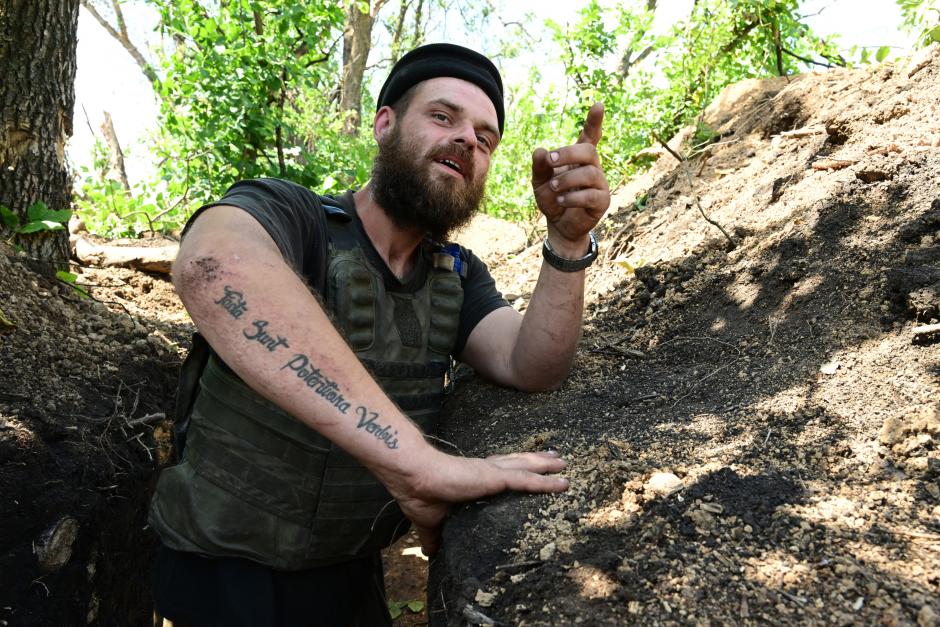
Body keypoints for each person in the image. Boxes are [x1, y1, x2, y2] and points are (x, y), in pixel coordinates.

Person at [148, 43, 610, 627]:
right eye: (443, 117)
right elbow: (212, 267)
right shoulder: (294, 215)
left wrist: (568, 243)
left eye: (486, 138)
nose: (468, 139)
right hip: (222, 572)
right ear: (385, 123)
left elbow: (532, 364)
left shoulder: (456, 274)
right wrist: (416, 463)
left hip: (349, 574)